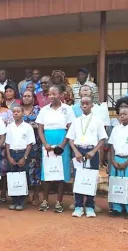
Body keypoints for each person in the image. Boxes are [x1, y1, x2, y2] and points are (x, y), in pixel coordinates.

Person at [36, 84, 75, 213]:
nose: (51, 96)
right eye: (50, 94)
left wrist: (63, 145)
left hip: (62, 141)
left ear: (61, 95)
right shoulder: (44, 110)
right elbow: (40, 129)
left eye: (54, 94)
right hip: (47, 141)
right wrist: (45, 143)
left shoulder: (67, 109)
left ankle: (59, 201)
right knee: (46, 171)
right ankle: (45, 200)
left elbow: (70, 129)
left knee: (61, 171)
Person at [67, 96, 107, 218]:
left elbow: (102, 139)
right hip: (78, 151)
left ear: (92, 105)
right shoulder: (76, 121)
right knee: (78, 179)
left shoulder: (98, 121)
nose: (84, 106)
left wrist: (94, 151)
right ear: (80, 106)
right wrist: (75, 151)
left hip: (91, 152)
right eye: (82, 104)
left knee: (91, 178)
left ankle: (90, 206)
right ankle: (78, 206)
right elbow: (70, 139)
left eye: (87, 103)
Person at [5, 105, 35, 211]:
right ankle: (14, 200)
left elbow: (30, 144)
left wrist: (25, 157)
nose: (16, 113)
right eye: (14, 112)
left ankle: (21, 201)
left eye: (18, 111)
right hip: (12, 153)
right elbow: (7, 144)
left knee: (22, 177)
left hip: (22, 153)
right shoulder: (9, 127)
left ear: (23, 113)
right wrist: (9, 156)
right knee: (12, 177)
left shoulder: (27, 127)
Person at [21, 90, 42, 205]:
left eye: (29, 96)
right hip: (21, 144)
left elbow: (41, 124)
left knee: (35, 168)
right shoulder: (19, 110)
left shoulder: (38, 110)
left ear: (33, 98)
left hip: (36, 144)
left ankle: (36, 193)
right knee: (24, 168)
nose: (26, 98)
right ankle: (24, 193)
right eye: (24, 96)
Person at [0, 90, 14, 203]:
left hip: (4, 143)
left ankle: (3, 192)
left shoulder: (7, 112)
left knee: (4, 169)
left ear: (2, 100)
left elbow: (11, 128)